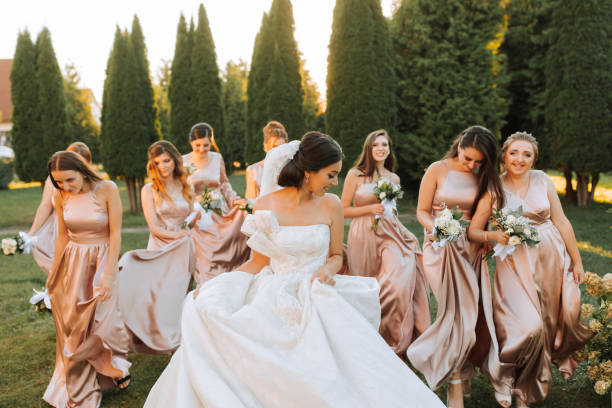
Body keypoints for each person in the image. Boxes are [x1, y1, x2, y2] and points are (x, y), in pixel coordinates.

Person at [144, 132, 445, 408]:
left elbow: (336, 255)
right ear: (308, 172)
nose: (335, 183)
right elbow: (257, 262)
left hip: (318, 294)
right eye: (331, 174)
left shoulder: (331, 206)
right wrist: (216, 286)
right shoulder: (265, 205)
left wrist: (329, 268)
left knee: (341, 375)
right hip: (274, 296)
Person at [467, 131, 592, 407]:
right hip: (513, 263)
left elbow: (562, 222)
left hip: (549, 260)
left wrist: (577, 260)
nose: (519, 159)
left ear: (534, 159)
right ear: (504, 155)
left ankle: (525, 391)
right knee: (527, 327)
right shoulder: (494, 187)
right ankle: (504, 377)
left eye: (527, 154)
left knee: (544, 328)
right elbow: (474, 231)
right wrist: (495, 237)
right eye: (514, 153)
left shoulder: (542, 180)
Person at [406, 125, 504, 408]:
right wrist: (437, 227)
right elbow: (422, 211)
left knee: (469, 319)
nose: (472, 165)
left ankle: (461, 369)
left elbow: (484, 216)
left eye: (478, 161)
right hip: (439, 248)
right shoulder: (437, 169)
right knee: (455, 317)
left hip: (470, 250)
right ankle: (454, 385)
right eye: (468, 158)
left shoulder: (484, 177)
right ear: (459, 146)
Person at [44, 151, 131, 408]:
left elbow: (115, 233)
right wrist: (54, 271)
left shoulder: (107, 189)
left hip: (102, 257)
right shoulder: (60, 196)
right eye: (59, 182)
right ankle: (84, 386)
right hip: (73, 262)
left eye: (69, 180)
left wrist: (110, 273)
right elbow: (62, 236)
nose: (65, 186)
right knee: (77, 326)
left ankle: (115, 367)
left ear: (82, 170)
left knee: (104, 322)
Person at [341, 129, 429, 354]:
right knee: (365, 285)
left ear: (389, 150)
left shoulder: (393, 178)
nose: (380, 149)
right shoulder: (355, 174)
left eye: (384, 145)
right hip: (362, 233)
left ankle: (393, 340)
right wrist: (369, 208)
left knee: (396, 283)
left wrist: (405, 232)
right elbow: (343, 210)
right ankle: (365, 339)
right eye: (376, 145)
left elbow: (392, 212)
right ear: (368, 149)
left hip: (389, 232)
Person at [117, 141, 199, 354]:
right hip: (161, 245)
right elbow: (153, 227)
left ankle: (181, 338)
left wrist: (194, 220)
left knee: (180, 293)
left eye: (166, 161)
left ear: (175, 160)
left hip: (184, 246)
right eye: (157, 162)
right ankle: (156, 337)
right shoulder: (149, 189)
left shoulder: (186, 185)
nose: (162, 166)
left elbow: (189, 218)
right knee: (159, 295)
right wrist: (178, 235)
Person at [183, 122, 250, 284]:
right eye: (197, 145)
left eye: (206, 145)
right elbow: (182, 189)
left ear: (211, 142)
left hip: (220, 208)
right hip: (197, 213)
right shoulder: (183, 161)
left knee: (236, 232)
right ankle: (207, 283)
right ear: (191, 142)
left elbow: (224, 183)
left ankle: (228, 281)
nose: (201, 149)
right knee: (206, 255)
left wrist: (233, 199)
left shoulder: (217, 158)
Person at [22, 142, 93, 275]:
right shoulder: (53, 179)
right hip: (57, 229)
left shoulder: (92, 182)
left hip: (82, 231)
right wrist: (31, 233)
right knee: (60, 271)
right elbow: (45, 205)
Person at [245, 120, 288, 200]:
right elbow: (250, 202)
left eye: (282, 147)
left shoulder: (291, 169)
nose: (279, 151)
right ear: (265, 147)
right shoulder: (253, 170)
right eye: (275, 147)